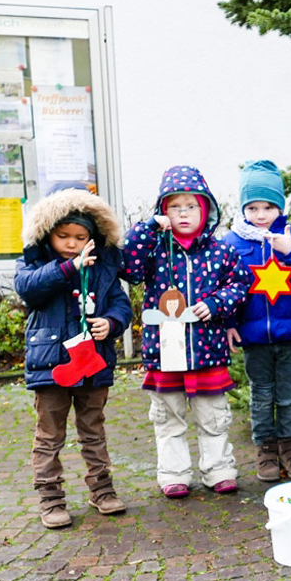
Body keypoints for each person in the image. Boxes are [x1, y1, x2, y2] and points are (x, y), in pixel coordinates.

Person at [121, 165, 250, 498]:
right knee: (168, 418)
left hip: (208, 351)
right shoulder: (154, 249)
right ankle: (174, 474)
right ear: (163, 210)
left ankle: (219, 470)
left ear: (205, 210)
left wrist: (218, 303)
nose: (183, 213)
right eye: (175, 206)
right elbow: (128, 267)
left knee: (213, 417)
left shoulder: (221, 250)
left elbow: (241, 283)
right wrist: (149, 228)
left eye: (191, 206)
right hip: (165, 353)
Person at [15, 187, 133, 528]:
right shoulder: (34, 262)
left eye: (80, 238)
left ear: (91, 238)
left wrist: (111, 323)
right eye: (63, 236)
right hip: (50, 365)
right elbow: (28, 289)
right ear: (48, 233)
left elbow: (121, 304)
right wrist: (69, 268)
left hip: (93, 363)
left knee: (93, 430)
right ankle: (50, 498)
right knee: (49, 435)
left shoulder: (102, 267)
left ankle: (102, 489)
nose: (71, 243)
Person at [224, 160, 291, 482]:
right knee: (262, 394)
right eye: (253, 207)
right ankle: (266, 450)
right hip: (254, 337)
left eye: (268, 207)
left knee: (289, 396)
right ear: (243, 208)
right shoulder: (232, 242)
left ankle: (289, 450)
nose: (261, 214)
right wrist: (229, 323)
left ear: (279, 206)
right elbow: (225, 286)